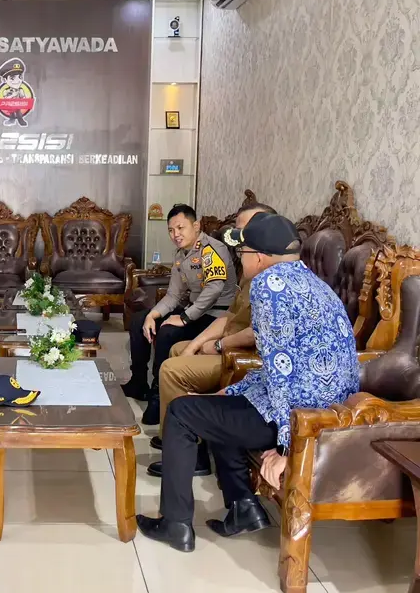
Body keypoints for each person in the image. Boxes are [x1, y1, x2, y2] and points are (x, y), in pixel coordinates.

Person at [137, 213, 360, 552]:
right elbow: (282, 365)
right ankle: (243, 508)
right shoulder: (316, 285)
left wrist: (289, 447)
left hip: (303, 420)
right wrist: (235, 390)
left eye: (242, 253)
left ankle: (175, 523)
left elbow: (282, 371)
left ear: (258, 256)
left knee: (181, 413)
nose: (240, 260)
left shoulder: (269, 285)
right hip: (327, 414)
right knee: (221, 405)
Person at [147, 203, 277, 479]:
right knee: (178, 348)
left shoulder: (268, 278)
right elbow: (231, 315)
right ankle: (181, 435)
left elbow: (253, 330)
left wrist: (214, 342)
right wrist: (195, 343)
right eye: (171, 230)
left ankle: (186, 453)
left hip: (243, 356)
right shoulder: (249, 271)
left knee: (171, 364)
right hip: (226, 335)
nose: (237, 240)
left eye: (244, 231)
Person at [123, 204, 237, 426]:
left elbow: (214, 290)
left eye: (180, 228)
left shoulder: (212, 250)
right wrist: (153, 315)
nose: (175, 234)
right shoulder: (181, 255)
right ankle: (138, 383)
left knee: (168, 332)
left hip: (216, 315)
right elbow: (173, 295)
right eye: (171, 230)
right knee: (139, 320)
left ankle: (158, 397)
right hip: (194, 310)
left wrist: (184, 318)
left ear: (196, 226)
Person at [0, 58, 29, 127]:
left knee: (19, 113)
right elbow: (5, 99)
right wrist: (12, 95)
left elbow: (24, 99)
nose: (17, 81)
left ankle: (21, 120)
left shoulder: (20, 90)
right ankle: (12, 120)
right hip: (10, 107)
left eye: (20, 77)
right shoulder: (6, 91)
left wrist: (23, 100)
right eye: (12, 78)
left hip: (18, 106)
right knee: (11, 114)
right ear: (4, 80)